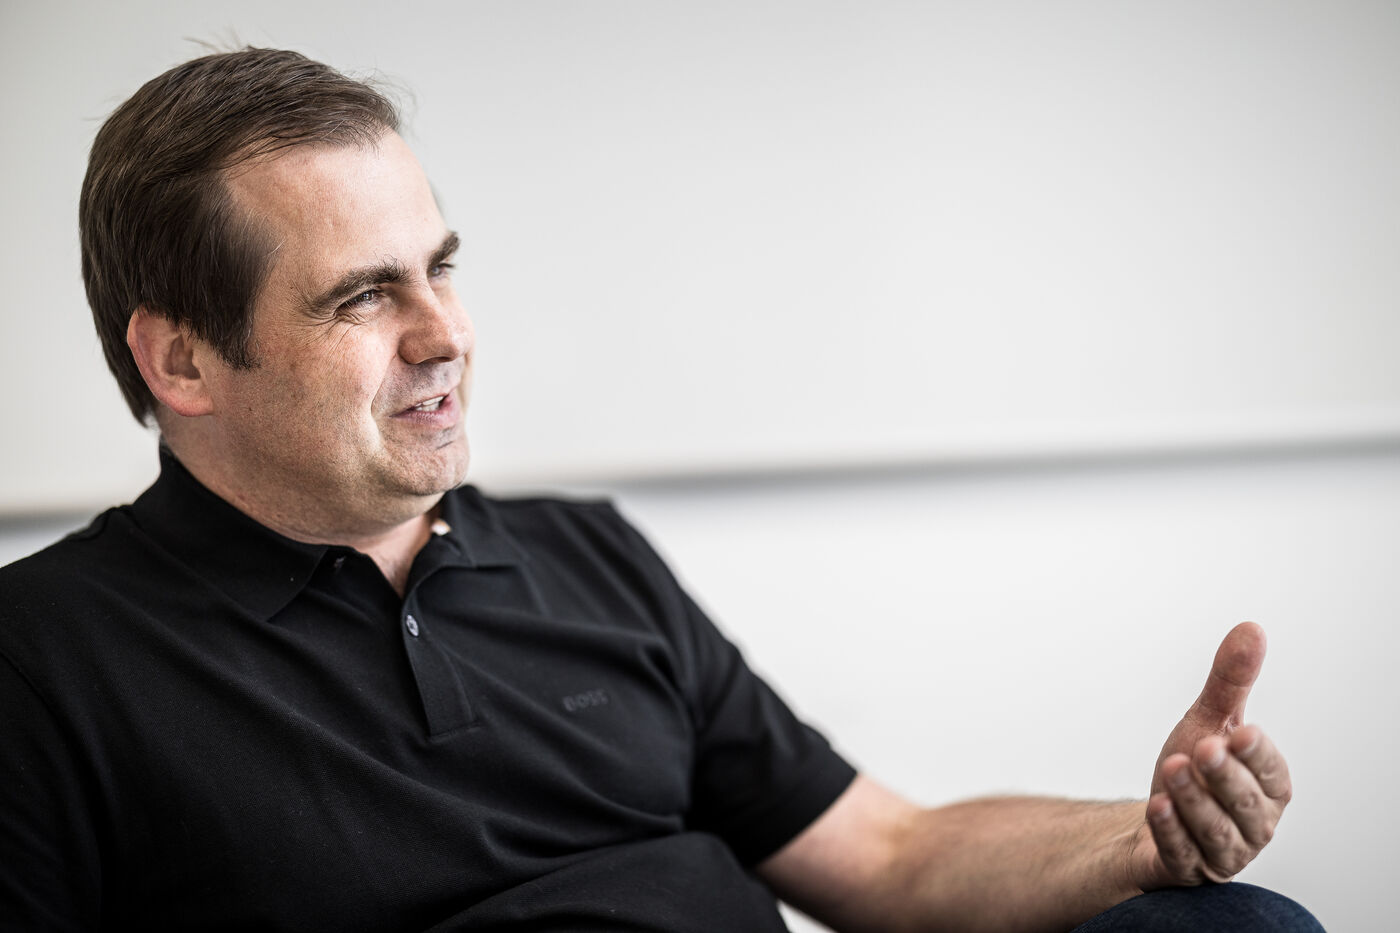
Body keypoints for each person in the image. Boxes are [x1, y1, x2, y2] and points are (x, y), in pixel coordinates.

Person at [0, 47, 1321, 932]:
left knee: (1232, 924)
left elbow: (891, 856)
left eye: (440, 268)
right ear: (183, 360)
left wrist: (1141, 840)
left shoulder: (589, 556)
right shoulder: (46, 658)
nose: (444, 333)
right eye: (362, 296)